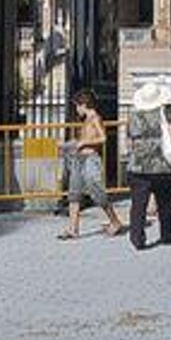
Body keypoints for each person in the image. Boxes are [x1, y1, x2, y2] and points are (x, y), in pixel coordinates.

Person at [126, 80, 171, 250]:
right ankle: (167, 234)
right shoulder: (166, 113)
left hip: (138, 166)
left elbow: (129, 141)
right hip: (162, 164)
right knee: (164, 202)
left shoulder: (132, 115)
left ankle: (137, 238)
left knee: (138, 205)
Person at [59, 89, 124, 240]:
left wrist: (84, 142)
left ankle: (115, 221)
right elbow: (84, 139)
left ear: (84, 104)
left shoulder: (95, 118)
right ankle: (73, 229)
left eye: (77, 106)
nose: (76, 109)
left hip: (90, 159)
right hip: (79, 158)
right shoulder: (86, 120)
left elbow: (103, 138)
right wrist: (70, 144)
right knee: (74, 193)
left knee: (98, 193)